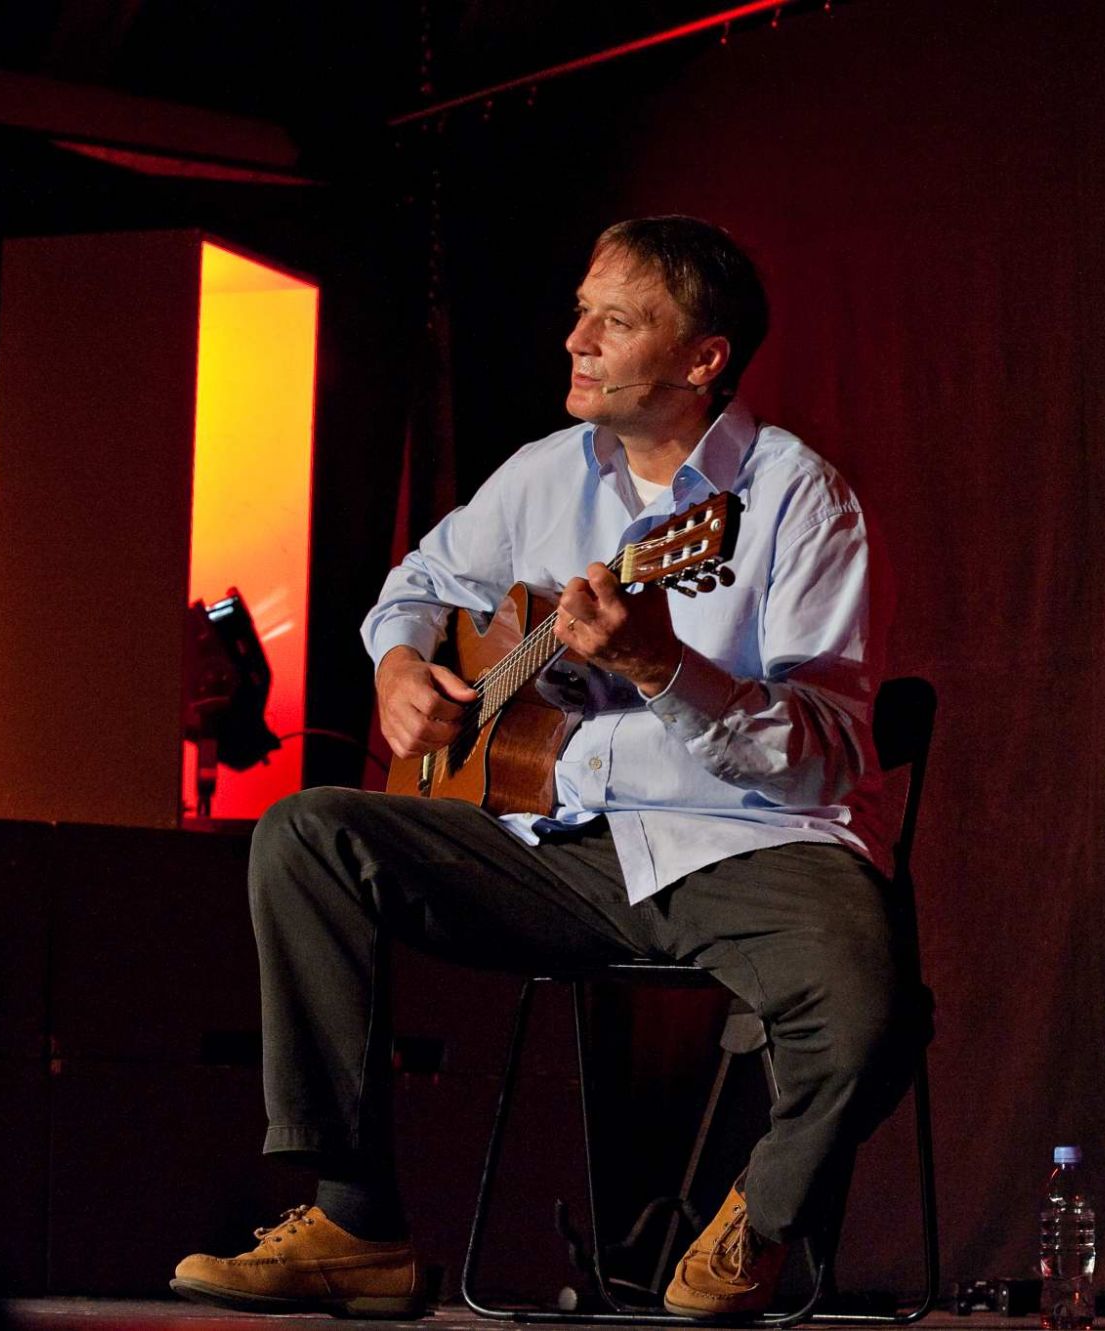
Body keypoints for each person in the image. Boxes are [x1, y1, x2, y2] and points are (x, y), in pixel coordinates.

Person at [172, 216, 913, 1320]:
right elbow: (415, 583)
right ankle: (356, 1222)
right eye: (579, 313)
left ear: (702, 359)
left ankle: (762, 1215)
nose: (575, 340)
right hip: (553, 845)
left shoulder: (800, 502)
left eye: (615, 321)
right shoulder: (544, 473)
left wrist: (665, 667)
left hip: (742, 840)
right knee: (308, 830)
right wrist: (400, 665)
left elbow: (826, 758)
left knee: (868, 996)